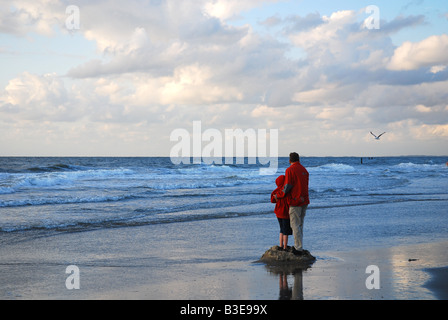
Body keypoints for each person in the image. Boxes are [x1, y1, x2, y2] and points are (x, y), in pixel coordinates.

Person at [283, 152, 310, 256]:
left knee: (295, 224)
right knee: (300, 224)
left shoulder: (290, 170)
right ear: (298, 159)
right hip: (305, 199)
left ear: (290, 160)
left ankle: (298, 248)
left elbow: (288, 185)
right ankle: (299, 245)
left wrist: (282, 194)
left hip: (295, 200)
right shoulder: (304, 170)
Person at [271, 175, 292, 251]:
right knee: (286, 230)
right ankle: (285, 247)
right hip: (285, 213)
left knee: (281, 229)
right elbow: (289, 201)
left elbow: (273, 200)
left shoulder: (276, 191)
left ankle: (280, 245)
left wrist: (277, 198)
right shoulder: (286, 191)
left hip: (278, 212)